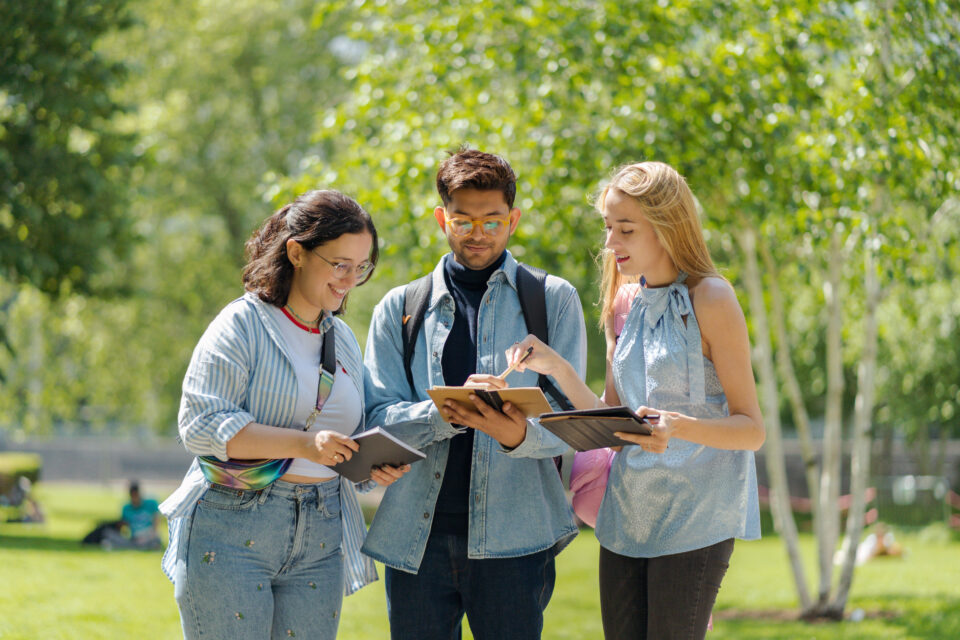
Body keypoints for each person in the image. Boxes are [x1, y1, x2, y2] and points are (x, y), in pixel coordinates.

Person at [479, 162, 764, 640]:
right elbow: (612, 415)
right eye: (609, 227)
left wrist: (680, 427)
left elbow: (751, 429)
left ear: (668, 225)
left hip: (697, 517)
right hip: (625, 517)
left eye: (626, 229)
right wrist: (557, 369)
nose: (611, 243)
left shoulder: (711, 299)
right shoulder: (623, 304)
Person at [159, 190, 409, 640]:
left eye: (361, 267)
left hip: (321, 531)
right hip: (232, 526)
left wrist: (373, 464)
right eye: (340, 264)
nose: (351, 279)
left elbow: (354, 433)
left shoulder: (344, 338)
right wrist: (302, 444)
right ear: (296, 251)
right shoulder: (242, 325)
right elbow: (200, 424)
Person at [362, 148, 587, 640]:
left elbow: (574, 424)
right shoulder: (398, 308)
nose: (479, 234)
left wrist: (513, 436)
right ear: (442, 218)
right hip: (416, 540)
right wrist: (449, 412)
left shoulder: (554, 300)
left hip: (518, 539)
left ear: (514, 219)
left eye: (493, 221)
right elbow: (376, 420)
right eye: (463, 221)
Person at [101, 481, 162, 549]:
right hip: (135, 538)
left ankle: (137, 546)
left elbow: (156, 519)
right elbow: (124, 527)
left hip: (148, 536)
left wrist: (152, 534)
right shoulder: (126, 508)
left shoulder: (151, 503)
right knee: (109, 533)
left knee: (155, 540)